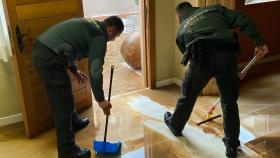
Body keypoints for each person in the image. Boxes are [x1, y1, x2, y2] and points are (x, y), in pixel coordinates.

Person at [164, 2, 268, 158]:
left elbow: (188, 55)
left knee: (187, 95)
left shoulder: (181, 30)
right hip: (227, 54)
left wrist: (204, 72)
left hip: (200, 58)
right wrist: (259, 42)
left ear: (179, 16)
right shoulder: (215, 9)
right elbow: (242, 18)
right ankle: (232, 146)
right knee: (229, 102)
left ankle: (175, 125)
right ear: (194, 9)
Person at [31, 16, 124, 158]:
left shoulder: (93, 25)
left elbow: (67, 45)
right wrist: (101, 99)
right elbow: (95, 69)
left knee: (65, 92)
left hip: (47, 51)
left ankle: (73, 122)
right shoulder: (100, 37)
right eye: (116, 36)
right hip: (48, 56)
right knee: (62, 103)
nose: (113, 40)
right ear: (112, 30)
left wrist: (74, 70)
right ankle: (67, 151)